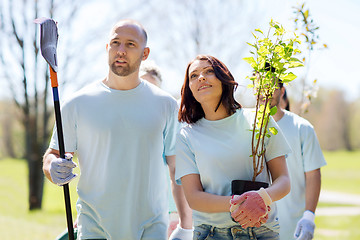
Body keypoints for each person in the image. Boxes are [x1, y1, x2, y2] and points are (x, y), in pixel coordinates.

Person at [43, 19, 179, 239]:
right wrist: (52, 167)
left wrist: (185, 225)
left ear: (145, 53)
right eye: (115, 43)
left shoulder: (167, 105)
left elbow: (176, 168)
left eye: (130, 44)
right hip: (94, 226)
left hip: (151, 227)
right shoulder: (76, 103)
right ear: (107, 48)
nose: (121, 51)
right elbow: (53, 154)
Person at [175, 55, 291, 239]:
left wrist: (261, 198)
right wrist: (240, 204)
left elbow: (283, 181)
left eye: (209, 71)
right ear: (189, 89)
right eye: (194, 76)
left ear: (224, 78)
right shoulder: (186, 136)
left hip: (262, 231)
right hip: (211, 233)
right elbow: (194, 198)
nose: (201, 77)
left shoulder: (260, 121)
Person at [266, 79, 326, 240]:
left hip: (292, 229)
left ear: (282, 90)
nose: (264, 92)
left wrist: (309, 217)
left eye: (270, 86)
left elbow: (313, 175)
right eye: (259, 86)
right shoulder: (248, 129)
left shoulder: (302, 128)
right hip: (254, 229)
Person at [140, 61, 194, 239]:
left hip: (170, 210)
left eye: (152, 89)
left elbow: (178, 170)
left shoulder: (173, 123)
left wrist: (184, 221)